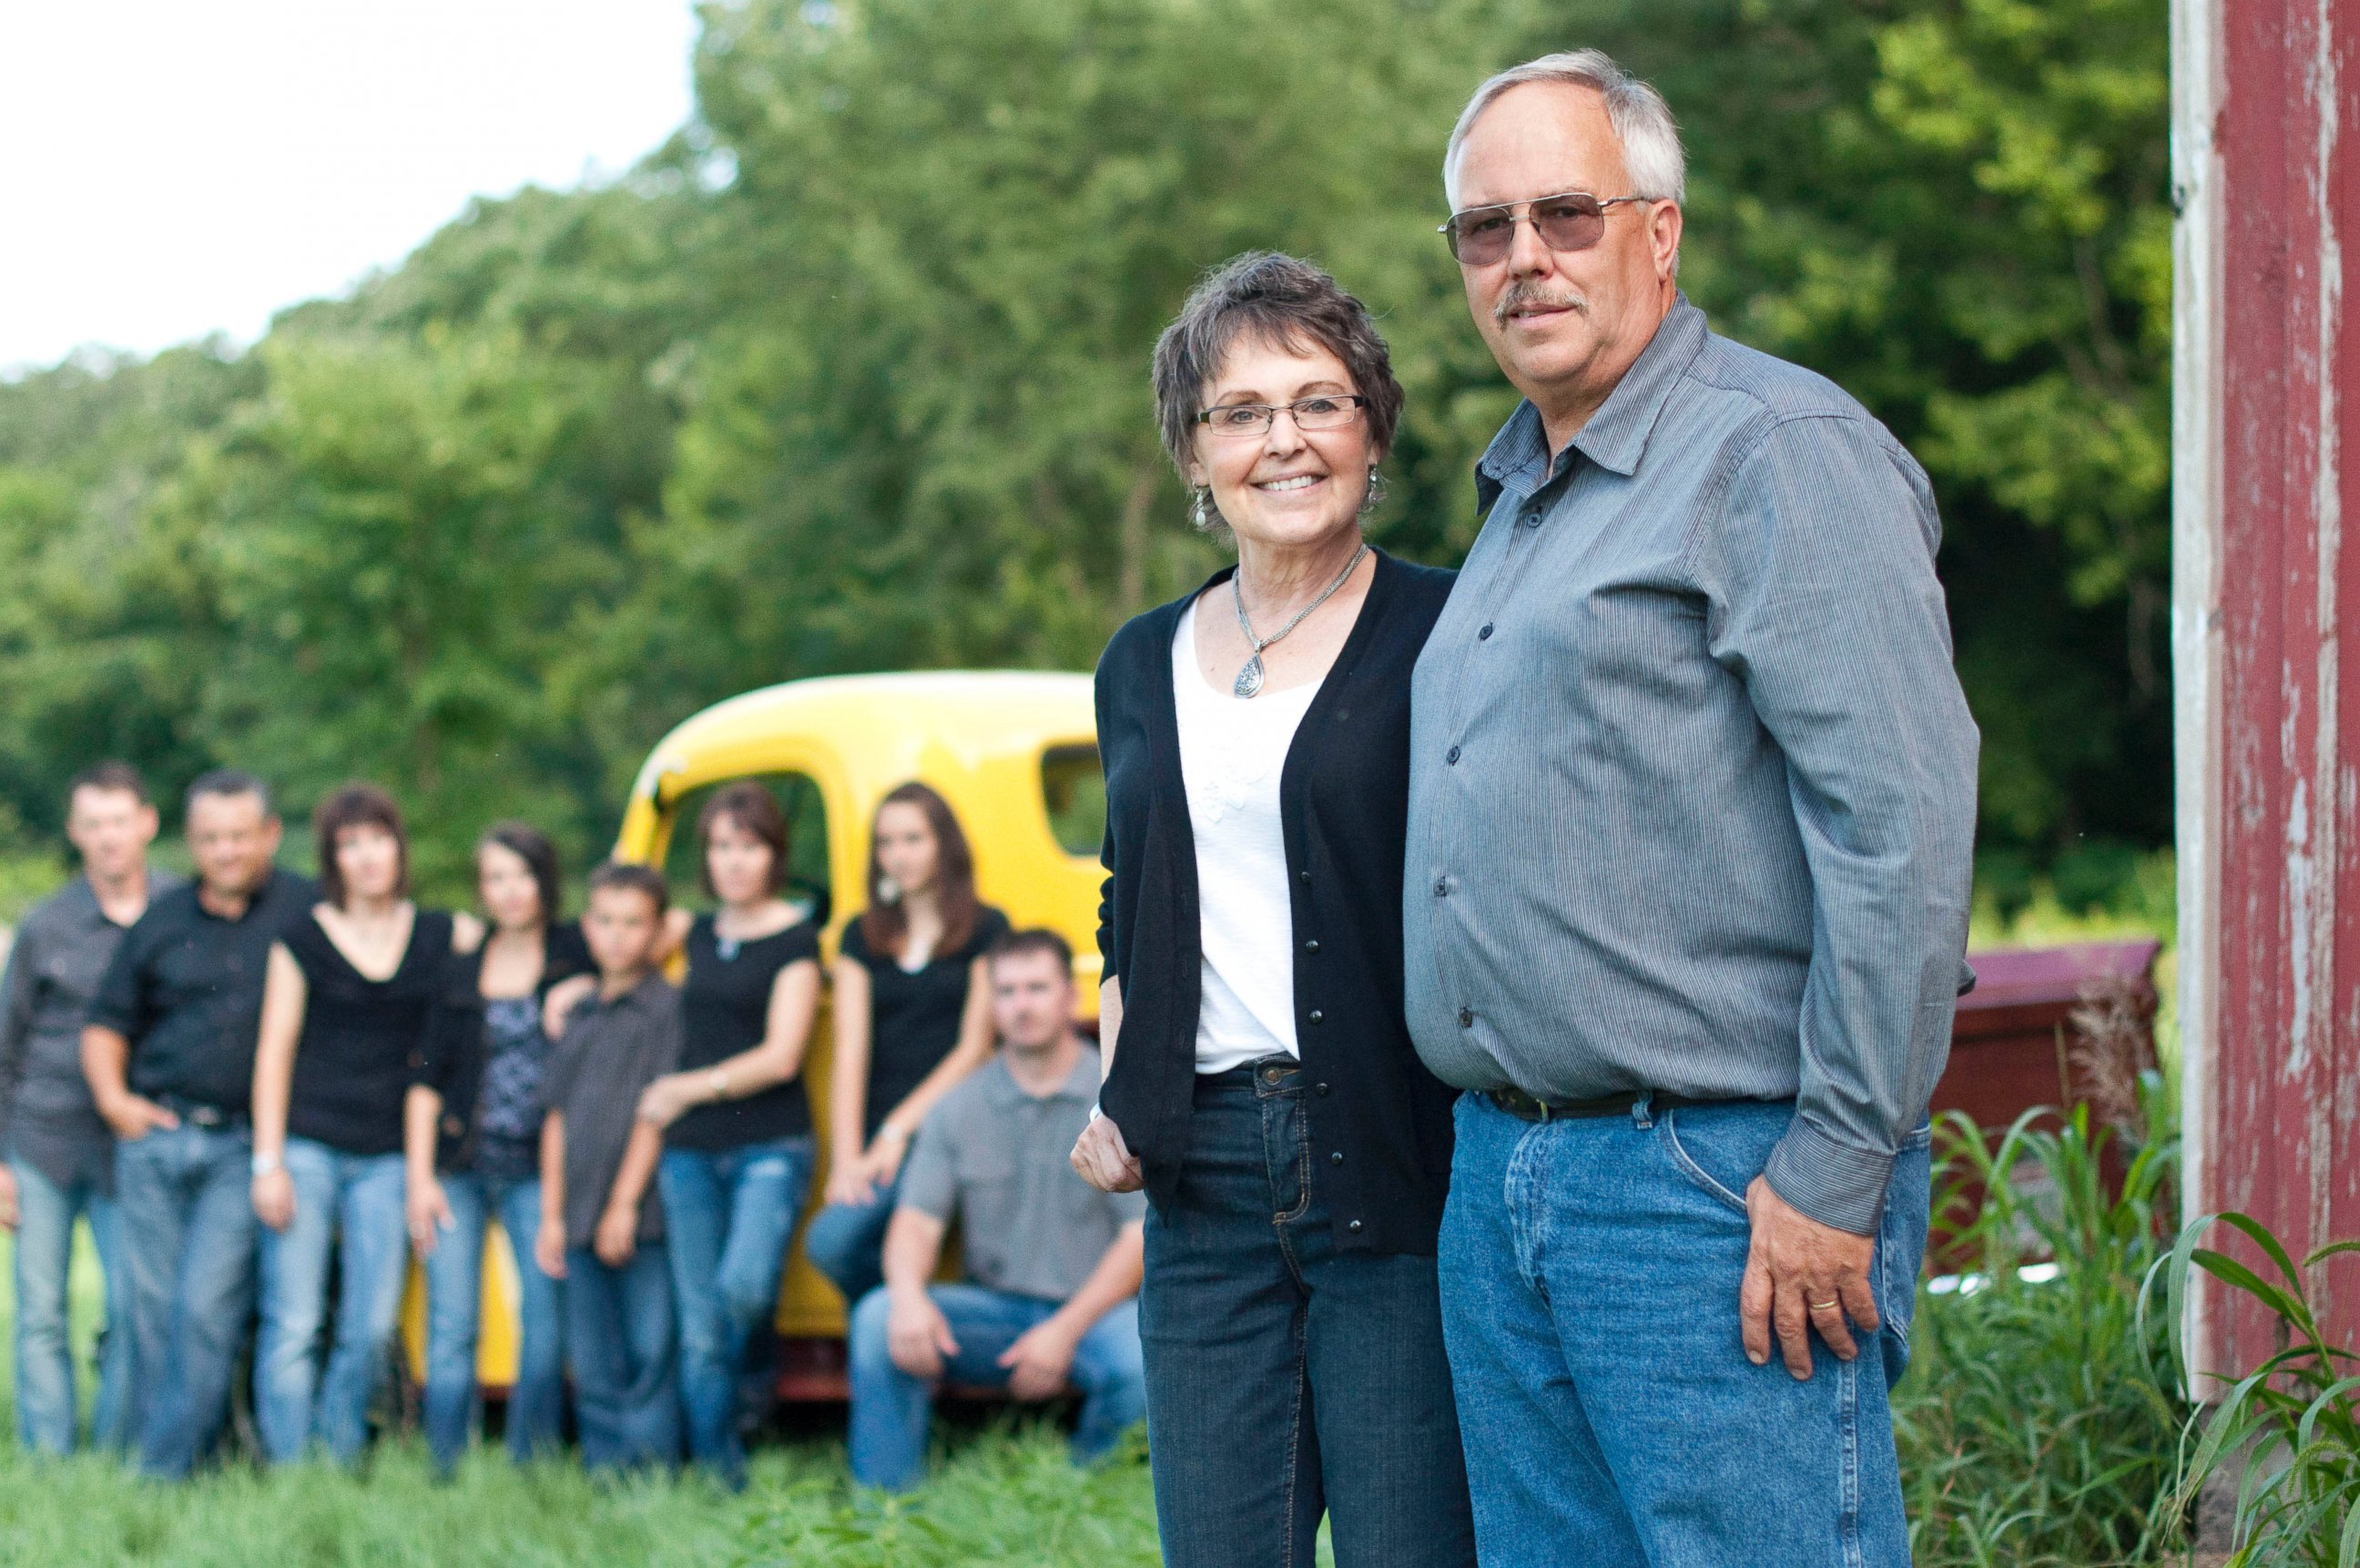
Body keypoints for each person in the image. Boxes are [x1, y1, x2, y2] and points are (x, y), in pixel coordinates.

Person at [1404, 52, 1979, 1567]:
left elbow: (1898, 831)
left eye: (1564, 215)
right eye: (1483, 229)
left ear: (1656, 231)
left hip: (1716, 1186)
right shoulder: (1528, 492)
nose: (1523, 257)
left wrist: (1835, 1165)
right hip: (1507, 1180)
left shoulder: (1774, 455)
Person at [1069, 252, 1475, 1567]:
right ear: (1193, 453)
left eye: (1319, 401)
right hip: (1206, 1191)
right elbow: (1131, 902)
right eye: (1240, 412)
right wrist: (1124, 1082)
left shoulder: (1452, 628)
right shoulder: (1138, 660)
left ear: (1374, 427)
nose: (1283, 440)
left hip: (1401, 1164)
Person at [849, 929, 1146, 1492]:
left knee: (1142, 1360)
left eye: (1037, 988)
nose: (1022, 1005)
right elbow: (914, 1222)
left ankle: (1079, 1495)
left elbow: (1138, 1242)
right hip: (993, 1314)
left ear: (1070, 997)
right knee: (876, 1317)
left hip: (1094, 1317)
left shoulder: (1115, 1098)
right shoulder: (958, 1106)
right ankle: (885, 1514)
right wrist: (910, 1301)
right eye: (1006, 991)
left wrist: (1062, 1332)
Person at [83, 769, 314, 1479]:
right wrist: (117, 1103)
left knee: (205, 1309)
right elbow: (104, 1025)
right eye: (211, 838)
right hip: (154, 1141)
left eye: (240, 835)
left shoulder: (308, 912)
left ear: (269, 834)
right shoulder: (163, 919)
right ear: (192, 841)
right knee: (148, 1313)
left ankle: (161, 1473)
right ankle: (183, 1460)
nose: (226, 851)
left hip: (242, 1146)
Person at [247, 783, 478, 1467]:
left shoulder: (444, 933)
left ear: (399, 847)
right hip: (308, 1145)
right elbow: (274, 1050)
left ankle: (339, 1457)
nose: (367, 856)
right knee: (293, 1318)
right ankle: (292, 1469)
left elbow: (522, 948)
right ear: (332, 858)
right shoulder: (302, 938)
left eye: (378, 838)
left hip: (390, 1157)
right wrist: (269, 1161)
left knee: (370, 1325)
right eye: (349, 844)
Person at [598, 783, 822, 1487]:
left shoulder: (796, 937)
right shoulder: (688, 932)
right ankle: (722, 1479)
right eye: (721, 846)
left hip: (769, 1145)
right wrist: (572, 993)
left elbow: (782, 1056)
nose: (734, 862)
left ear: (773, 854)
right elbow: (615, 939)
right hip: (689, 1155)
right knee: (699, 1329)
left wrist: (683, 1089)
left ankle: (755, 1387)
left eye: (749, 846)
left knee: (745, 1291)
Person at [406, 823, 590, 1476]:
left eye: (522, 875)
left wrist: (583, 989)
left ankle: (530, 1464)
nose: (510, 892)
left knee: (544, 1322)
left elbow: (665, 924)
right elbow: (426, 1079)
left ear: (545, 880)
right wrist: (420, 1179)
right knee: (452, 1325)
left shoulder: (578, 951)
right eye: (495, 878)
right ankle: (443, 1468)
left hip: (540, 1169)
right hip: (458, 1165)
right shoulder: (461, 965)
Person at [0, 764, 172, 1455]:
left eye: (119, 821)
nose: (108, 838)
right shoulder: (47, 924)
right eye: (93, 824)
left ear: (147, 824)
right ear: (75, 834)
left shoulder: (179, 911)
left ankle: (117, 1447)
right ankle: (50, 1459)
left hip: (133, 1146)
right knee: (41, 1311)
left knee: (134, 1308)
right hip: (43, 1140)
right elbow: (3, 1048)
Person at [804, 783, 1007, 1307]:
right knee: (832, 1242)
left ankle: (899, 1329)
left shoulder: (987, 928)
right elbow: (851, 1050)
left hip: (949, 1128)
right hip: (877, 1137)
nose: (899, 855)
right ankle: (902, 1327)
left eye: (914, 838)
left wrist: (897, 1131)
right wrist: (848, 1158)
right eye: (887, 842)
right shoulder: (860, 935)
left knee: (840, 1243)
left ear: (944, 844)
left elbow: (973, 1049)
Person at [534, 861, 683, 1472]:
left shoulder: (665, 1009)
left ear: (656, 932)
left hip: (638, 1215)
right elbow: (556, 1117)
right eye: (605, 921)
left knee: (649, 1349)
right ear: (587, 928)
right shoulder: (579, 1012)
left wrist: (624, 1203)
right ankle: (606, 1477)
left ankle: (652, 1478)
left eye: (633, 923)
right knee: (591, 1356)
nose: (618, 936)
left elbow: (655, 1111)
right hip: (575, 1212)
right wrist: (550, 1215)